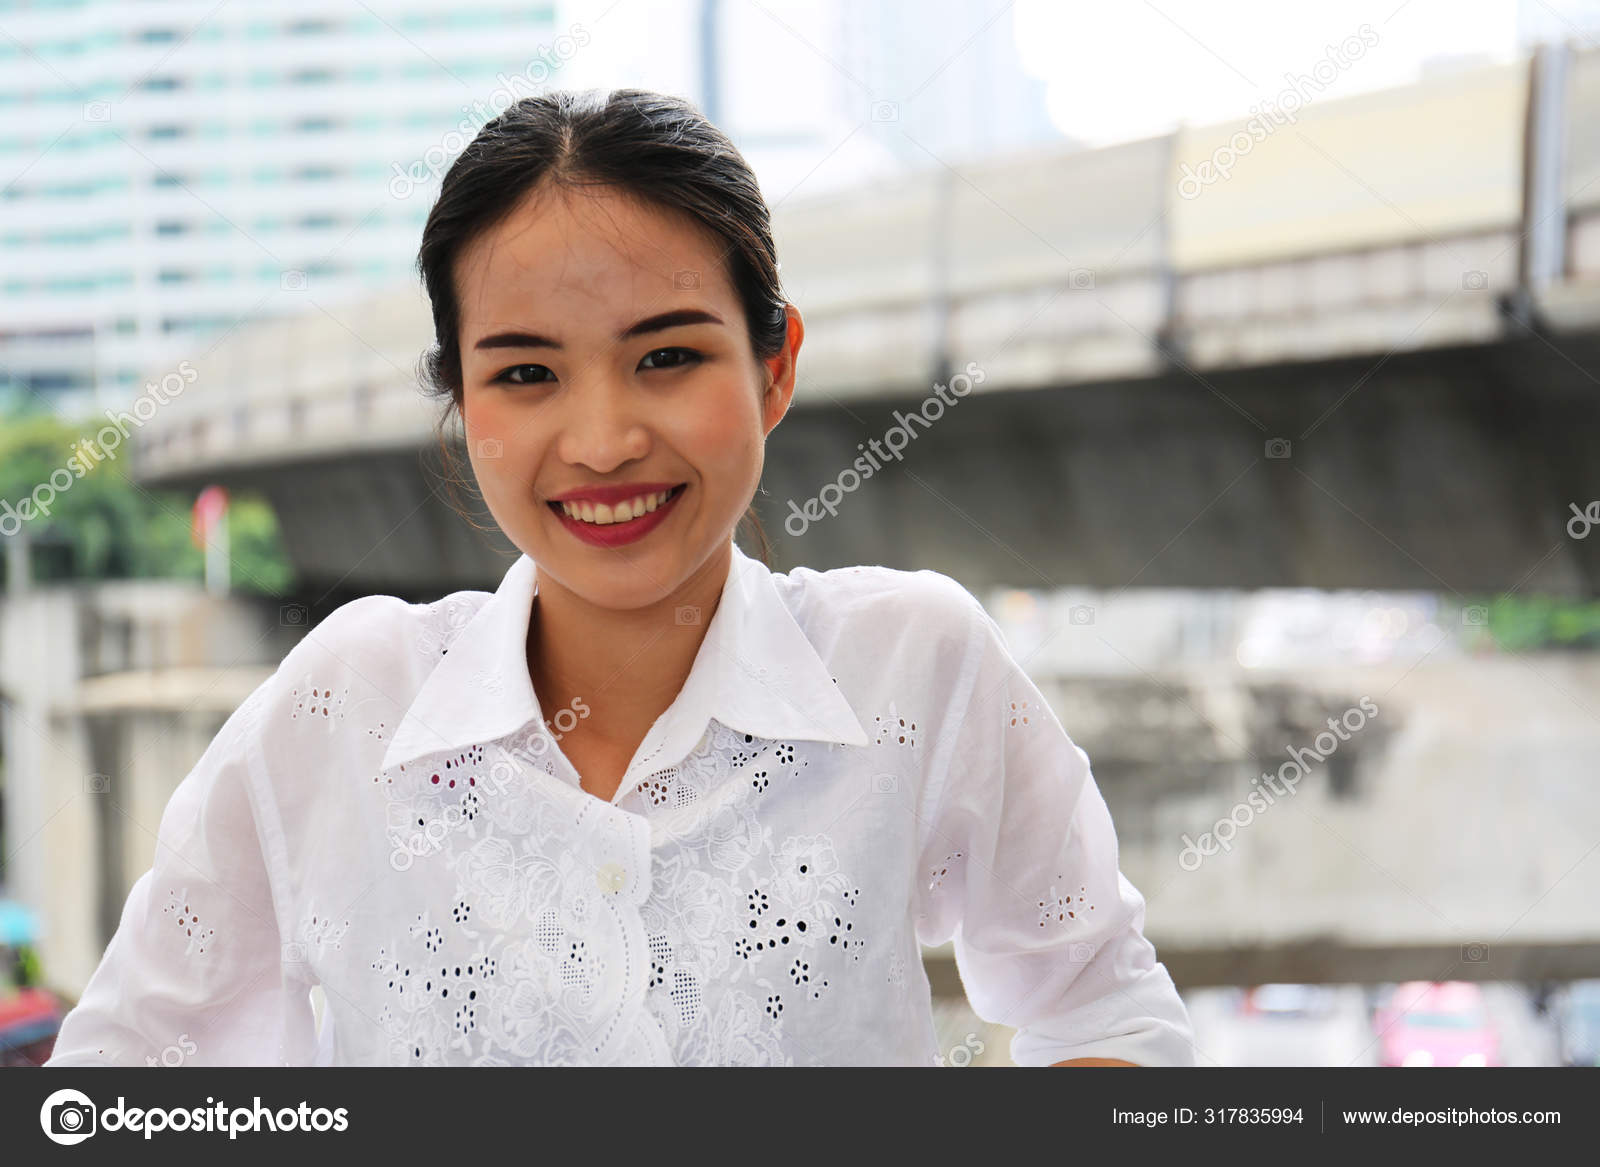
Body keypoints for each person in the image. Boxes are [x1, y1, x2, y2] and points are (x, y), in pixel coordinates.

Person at [46, 88, 1193, 1067]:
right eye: (527, 372)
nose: (600, 441)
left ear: (774, 364)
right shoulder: (348, 701)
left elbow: (1104, 1007)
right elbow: (125, 1072)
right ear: (463, 404)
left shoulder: (912, 665)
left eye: (667, 357)